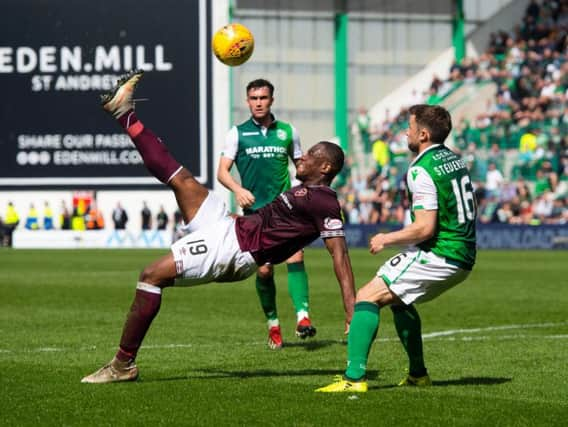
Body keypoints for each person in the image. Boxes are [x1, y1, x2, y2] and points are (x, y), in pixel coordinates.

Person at [81, 70, 356, 384]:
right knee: (180, 178)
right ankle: (123, 113)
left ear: (326, 167)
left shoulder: (325, 202)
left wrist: (352, 310)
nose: (302, 157)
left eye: (311, 155)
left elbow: (341, 257)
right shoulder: (300, 187)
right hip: (231, 225)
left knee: (150, 276)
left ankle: (122, 365)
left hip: (235, 249)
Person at [316, 104, 477, 392]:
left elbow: (425, 227)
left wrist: (385, 239)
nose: (406, 132)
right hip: (462, 252)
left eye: (411, 127)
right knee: (400, 301)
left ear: (424, 134)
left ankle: (354, 380)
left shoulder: (420, 169)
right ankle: (418, 374)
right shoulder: (453, 159)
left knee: (366, 297)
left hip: (441, 253)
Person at [217, 78, 315, 350]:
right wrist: (237, 189)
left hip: (285, 208)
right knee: (263, 272)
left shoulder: (288, 132)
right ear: (247, 101)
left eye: (263, 97)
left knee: (296, 254)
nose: (258, 102)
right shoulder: (237, 133)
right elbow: (222, 172)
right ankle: (273, 324)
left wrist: (304, 186)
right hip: (255, 213)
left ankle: (303, 317)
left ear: (272, 100)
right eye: (253, 98)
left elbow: (301, 167)